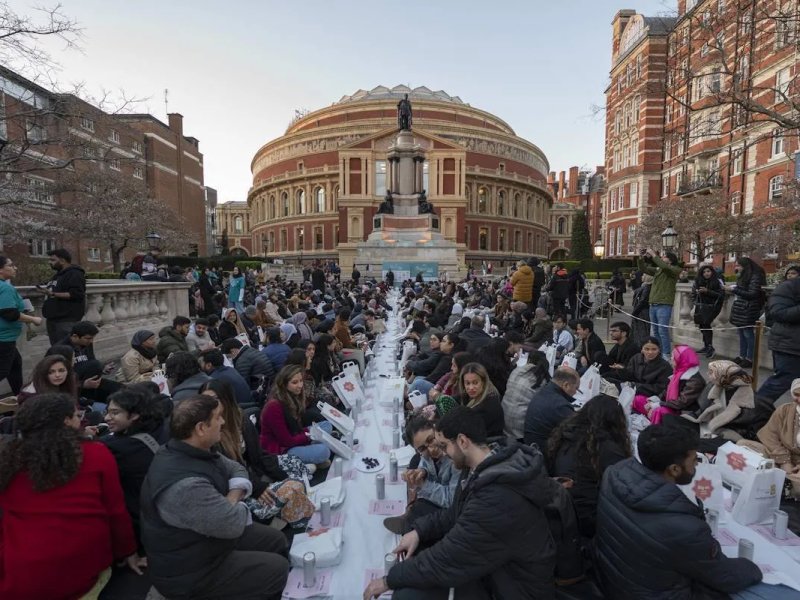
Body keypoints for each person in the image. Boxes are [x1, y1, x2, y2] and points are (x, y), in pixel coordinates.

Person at [364, 406, 558, 600]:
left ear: (463, 441)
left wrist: (389, 580)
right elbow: (455, 512)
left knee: (406, 595)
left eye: (444, 446)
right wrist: (418, 531)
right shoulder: (482, 466)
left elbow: (449, 557)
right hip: (497, 569)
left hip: (511, 588)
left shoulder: (497, 497)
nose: (442, 453)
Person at [140, 394, 290, 600]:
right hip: (190, 572)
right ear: (201, 428)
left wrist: (231, 497)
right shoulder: (185, 486)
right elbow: (233, 523)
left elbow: (237, 469)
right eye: (218, 417)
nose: (223, 421)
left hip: (206, 542)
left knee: (276, 540)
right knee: (277, 569)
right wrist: (230, 505)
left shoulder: (193, 449)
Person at [594, 424, 766, 599]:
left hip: (612, 581)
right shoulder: (685, 528)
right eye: (693, 461)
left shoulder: (614, 474)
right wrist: (753, 568)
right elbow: (725, 576)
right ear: (674, 469)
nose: (697, 465)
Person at [0, 394, 140, 600]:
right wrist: (128, 552)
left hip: (20, 570)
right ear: (66, 421)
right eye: (77, 416)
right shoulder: (96, 454)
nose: (80, 420)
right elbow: (115, 511)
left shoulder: (9, 461)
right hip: (82, 566)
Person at [199, 380, 313, 526]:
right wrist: (258, 487)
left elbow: (259, 454)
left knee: (295, 468)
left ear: (226, 399)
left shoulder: (240, 418)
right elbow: (230, 472)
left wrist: (280, 475)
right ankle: (277, 514)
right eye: (205, 400)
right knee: (292, 486)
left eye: (214, 399)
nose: (209, 405)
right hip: (241, 484)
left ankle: (282, 503)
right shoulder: (211, 431)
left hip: (257, 469)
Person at [548, 394, 631, 537]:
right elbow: (626, 486)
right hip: (587, 516)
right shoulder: (605, 448)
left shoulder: (567, 434)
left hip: (563, 506)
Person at [103, 385, 169, 552]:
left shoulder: (117, 449)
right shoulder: (162, 427)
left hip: (141, 523)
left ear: (135, 415)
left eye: (114, 413)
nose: (107, 418)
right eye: (108, 411)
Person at [384, 416, 460, 535]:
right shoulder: (425, 455)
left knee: (425, 507)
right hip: (440, 489)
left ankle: (411, 518)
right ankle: (412, 512)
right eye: (423, 448)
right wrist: (421, 472)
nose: (430, 448)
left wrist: (423, 484)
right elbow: (424, 463)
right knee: (415, 463)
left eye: (431, 439)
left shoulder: (455, 458)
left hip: (454, 506)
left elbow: (451, 500)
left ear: (435, 429)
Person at [259, 364, 332, 468]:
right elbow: (287, 441)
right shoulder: (273, 407)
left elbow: (297, 430)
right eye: (294, 382)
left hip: (294, 437)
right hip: (281, 449)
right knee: (324, 451)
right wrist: (309, 436)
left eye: (301, 381)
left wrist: (309, 434)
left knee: (326, 425)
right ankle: (313, 453)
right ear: (284, 384)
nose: (300, 385)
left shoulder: (293, 397)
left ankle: (312, 452)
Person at [741, 378, 800, 499]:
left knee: (798, 486)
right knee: (743, 444)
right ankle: (779, 480)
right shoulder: (785, 410)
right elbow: (770, 435)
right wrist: (785, 461)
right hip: (779, 455)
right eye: (796, 394)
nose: (798, 399)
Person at [0, 256, 42, 394]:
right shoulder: (5, 287)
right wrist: (33, 319)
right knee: (4, 370)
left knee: (15, 365)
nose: (15, 268)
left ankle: (19, 397)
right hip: (4, 338)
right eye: (11, 265)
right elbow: (9, 313)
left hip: (5, 337)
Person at [634, 345, 705, 424]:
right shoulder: (679, 372)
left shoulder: (695, 381)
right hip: (670, 405)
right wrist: (655, 400)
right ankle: (651, 420)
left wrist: (659, 404)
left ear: (681, 360)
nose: (671, 359)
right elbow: (666, 392)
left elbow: (681, 403)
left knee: (658, 411)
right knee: (638, 399)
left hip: (682, 412)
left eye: (673, 357)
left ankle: (655, 428)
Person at [759, 265, 800, 400]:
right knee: (781, 381)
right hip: (790, 345)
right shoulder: (788, 287)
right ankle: (751, 414)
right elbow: (778, 313)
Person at [523, 367, 579, 456]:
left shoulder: (544, 391)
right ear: (566, 385)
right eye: (576, 388)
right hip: (543, 454)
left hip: (531, 446)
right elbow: (578, 432)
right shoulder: (560, 405)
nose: (576, 393)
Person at [639, 250, 681, 360]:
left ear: (671, 259)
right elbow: (643, 269)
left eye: (664, 256)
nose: (661, 257)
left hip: (664, 304)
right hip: (653, 303)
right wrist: (641, 258)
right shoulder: (658, 270)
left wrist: (654, 255)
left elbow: (666, 268)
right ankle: (657, 351)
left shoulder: (675, 269)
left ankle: (666, 354)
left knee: (663, 331)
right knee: (655, 331)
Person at [41, 248, 87, 344]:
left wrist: (53, 294)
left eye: (53, 260)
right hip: (53, 319)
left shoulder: (75, 273)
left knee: (65, 350)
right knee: (57, 350)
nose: (50, 262)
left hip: (66, 320)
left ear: (62, 260)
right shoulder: (58, 275)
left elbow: (77, 294)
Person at [502, 351, 550, 441]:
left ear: (528, 360)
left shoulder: (517, 371)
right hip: (520, 429)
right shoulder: (541, 380)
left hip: (503, 419)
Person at [728, 257, 766, 369]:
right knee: (741, 333)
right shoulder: (743, 275)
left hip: (749, 308)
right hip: (741, 307)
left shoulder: (755, 276)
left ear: (745, 266)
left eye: (738, 265)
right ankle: (742, 356)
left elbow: (752, 294)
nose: (736, 268)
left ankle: (750, 358)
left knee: (748, 333)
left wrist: (734, 289)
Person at [457, 362, 505, 437]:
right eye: (467, 383)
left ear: (483, 382)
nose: (471, 388)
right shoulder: (476, 395)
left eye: (475, 383)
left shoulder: (486, 406)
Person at [618, 336, 673, 401]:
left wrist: (637, 387)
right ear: (642, 349)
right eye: (646, 349)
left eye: (654, 349)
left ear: (659, 350)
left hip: (651, 397)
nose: (650, 352)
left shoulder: (664, 366)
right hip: (632, 390)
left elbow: (661, 388)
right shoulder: (636, 358)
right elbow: (630, 375)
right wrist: (622, 370)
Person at [691, 264, 724, 358]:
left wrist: (707, 291)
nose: (706, 273)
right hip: (701, 306)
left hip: (712, 307)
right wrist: (695, 301)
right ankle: (706, 346)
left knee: (706, 324)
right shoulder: (698, 281)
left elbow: (721, 295)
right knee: (701, 324)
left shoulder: (718, 281)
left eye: (708, 271)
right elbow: (693, 293)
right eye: (704, 272)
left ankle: (710, 347)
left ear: (712, 272)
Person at [630, 273, 652, 347]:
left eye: (644, 276)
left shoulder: (647, 287)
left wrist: (635, 312)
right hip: (640, 310)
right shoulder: (644, 286)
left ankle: (640, 345)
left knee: (642, 330)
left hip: (642, 311)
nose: (642, 277)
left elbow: (643, 301)